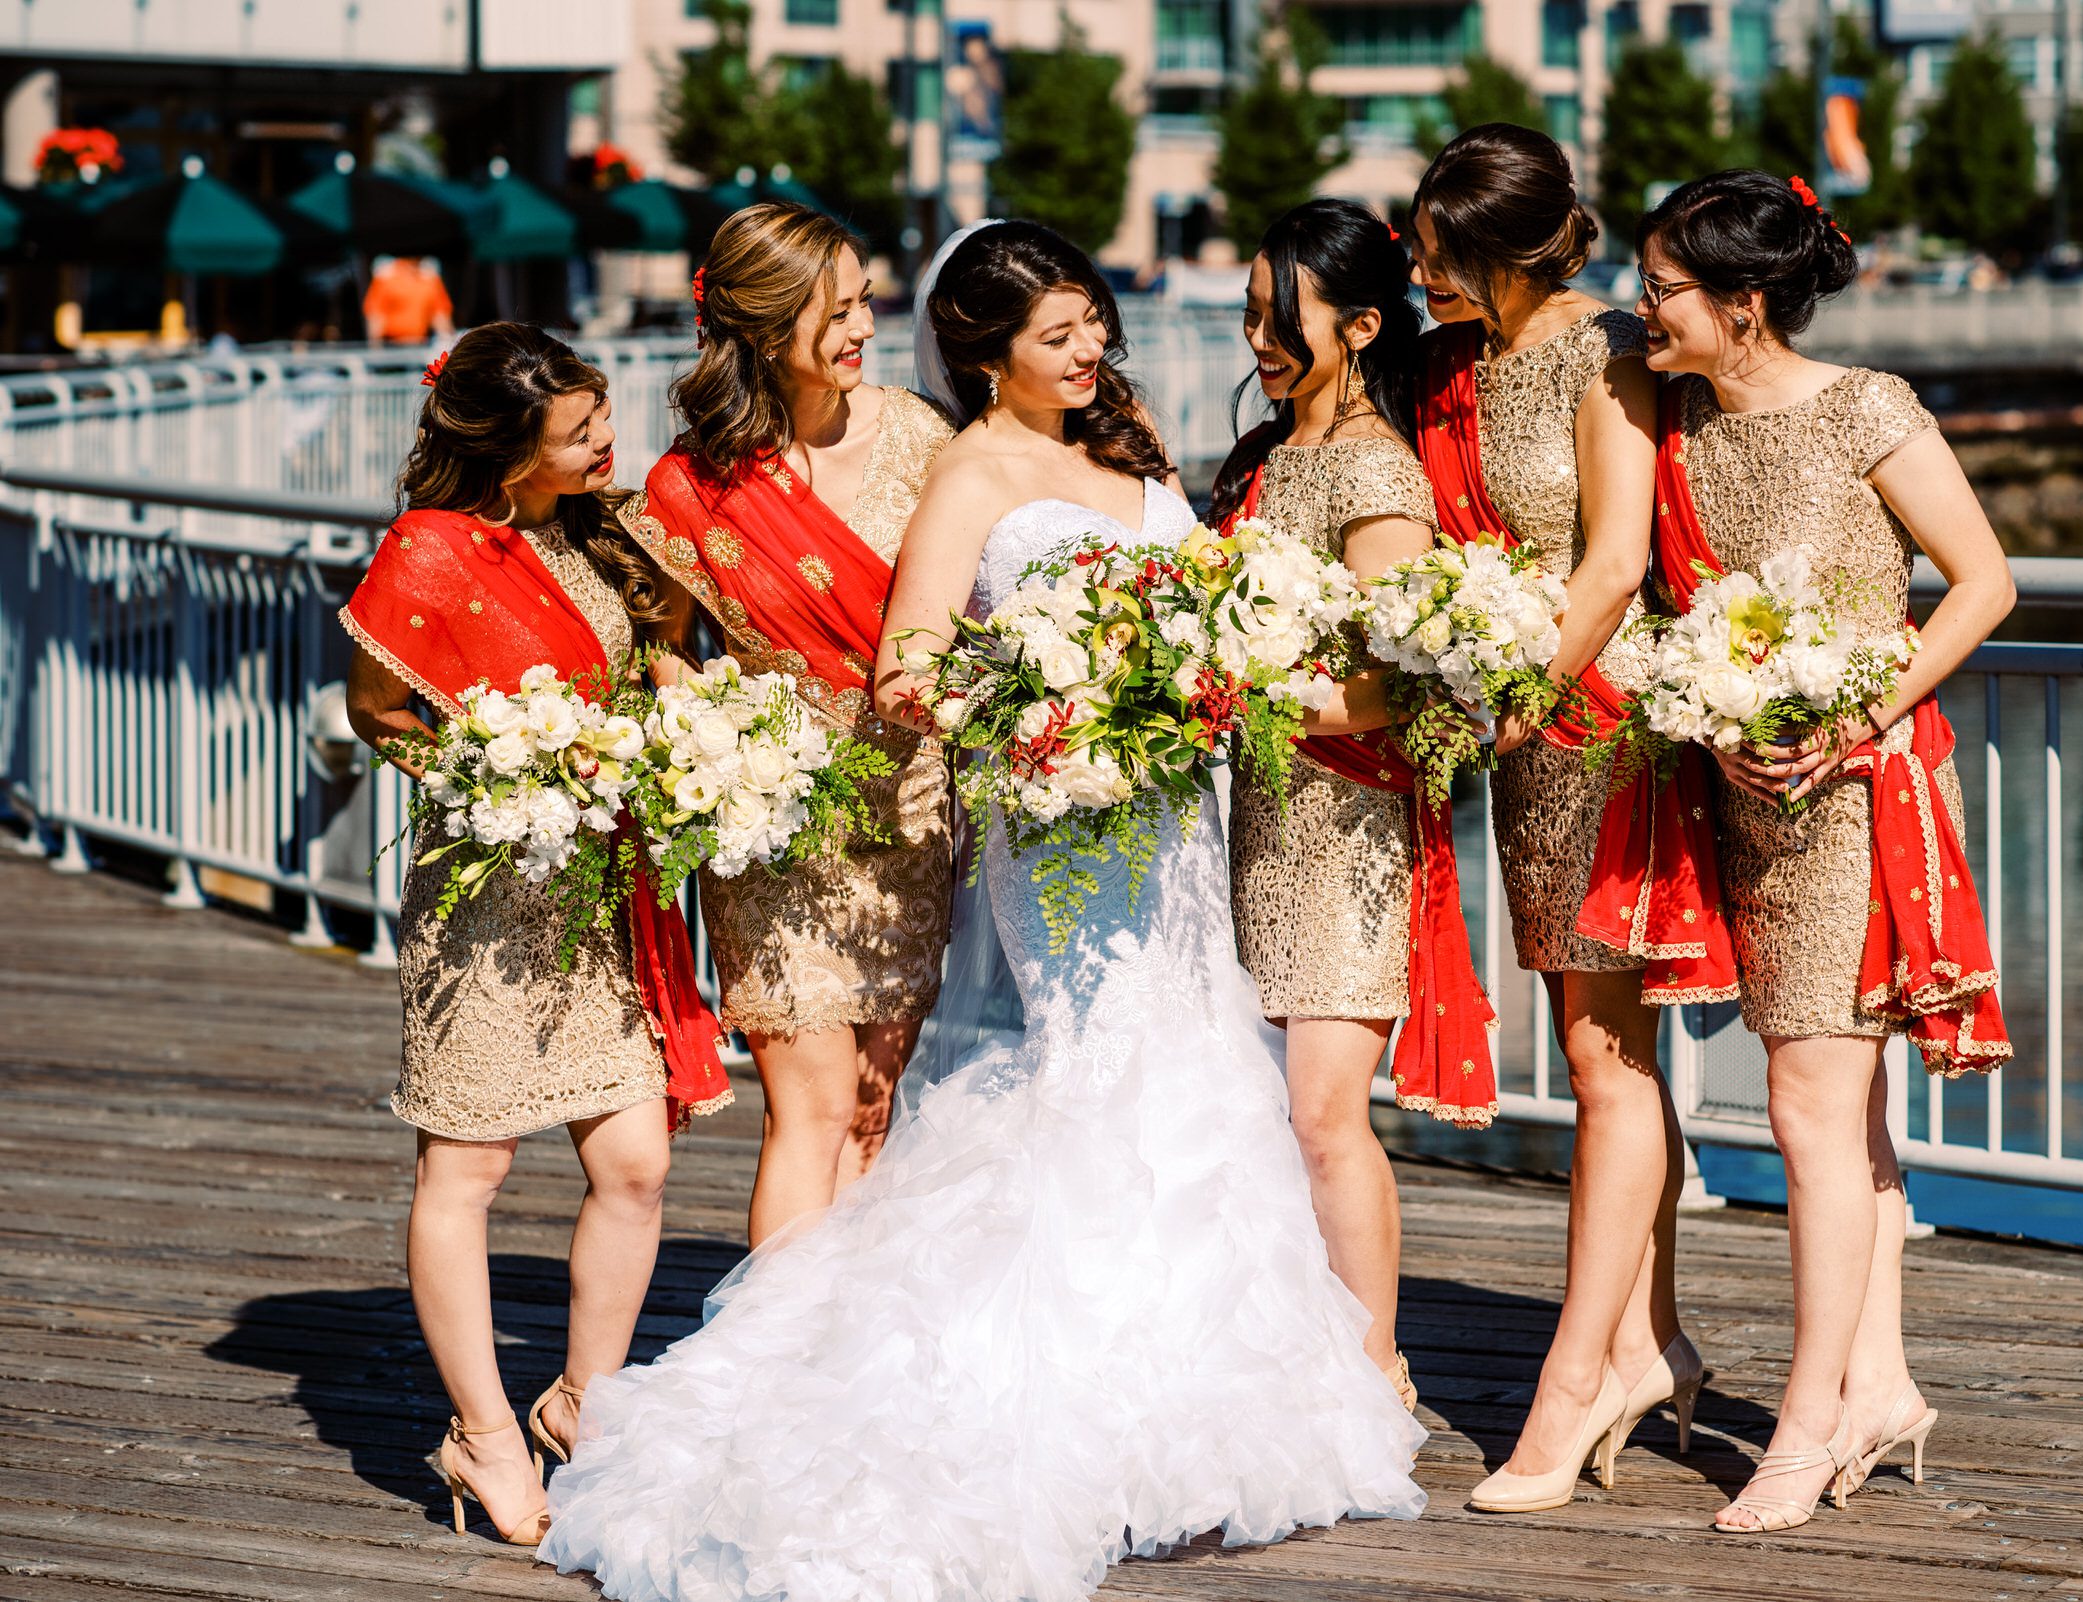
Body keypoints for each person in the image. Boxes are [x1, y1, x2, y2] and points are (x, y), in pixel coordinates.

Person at [537, 221, 1423, 1602]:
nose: (1091, 352)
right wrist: (1053, 705)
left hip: (1177, 820)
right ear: (988, 354)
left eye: (1093, 324)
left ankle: (1184, 1382)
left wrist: (1197, 668)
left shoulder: (1131, 449)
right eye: (1057, 336)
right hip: (1061, 818)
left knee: (1202, 1059)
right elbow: (909, 669)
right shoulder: (969, 473)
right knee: (1095, 1063)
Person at [1634, 170, 2014, 1532]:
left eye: (1664, 288)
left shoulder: (1864, 407)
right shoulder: (1674, 421)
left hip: (1859, 787)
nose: (1642, 307)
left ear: (1743, 303)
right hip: (1745, 786)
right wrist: (1709, 715)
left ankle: (1803, 1428)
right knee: (1840, 1109)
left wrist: (1857, 713)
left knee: (1804, 1100)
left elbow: (1985, 581)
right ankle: (1882, 1385)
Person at [339, 322, 727, 1547]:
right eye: (579, 431)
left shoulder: (605, 536)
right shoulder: (430, 550)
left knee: (637, 1162)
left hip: (605, 891)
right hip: (489, 903)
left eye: (602, 413)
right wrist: (490, 777)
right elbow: (378, 710)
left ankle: (582, 1403)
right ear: (510, 454)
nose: (610, 439)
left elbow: (658, 666)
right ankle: (486, 1433)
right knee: (469, 1170)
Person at [1410, 123, 1719, 1512]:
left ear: (1505, 249)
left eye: (1440, 254)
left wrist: (1520, 698)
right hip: (1523, 733)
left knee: (1602, 1060)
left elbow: (1613, 558)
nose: (1423, 275)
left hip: (1597, 726)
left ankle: (1577, 1376)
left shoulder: (1607, 353)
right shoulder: (1458, 363)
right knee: (1610, 1051)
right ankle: (1652, 1342)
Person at [628, 203, 956, 1246]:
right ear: (767, 329)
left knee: (870, 1111)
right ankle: (777, 1339)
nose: (864, 327)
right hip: (774, 827)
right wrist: (717, 744)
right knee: (808, 1113)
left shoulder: (924, 437)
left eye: (865, 301)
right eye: (837, 311)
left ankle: (840, 1336)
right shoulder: (689, 485)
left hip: (912, 811)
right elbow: (662, 647)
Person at [1211, 198, 1470, 1412]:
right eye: (1251, 313)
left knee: (1323, 1114)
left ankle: (1374, 1374)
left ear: (1362, 326)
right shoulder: (1268, 456)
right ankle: (1292, 1358)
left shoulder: (1374, 469)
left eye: (1282, 317)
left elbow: (1403, 678)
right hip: (1263, 819)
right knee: (1273, 1113)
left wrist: (1249, 690)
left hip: (1350, 828)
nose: (1258, 338)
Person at [362, 256, 455, 346]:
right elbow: (376, 316)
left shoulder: (429, 277)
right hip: (391, 344)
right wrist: (375, 347)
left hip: (420, 343)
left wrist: (449, 343)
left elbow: (440, 316)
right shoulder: (386, 275)